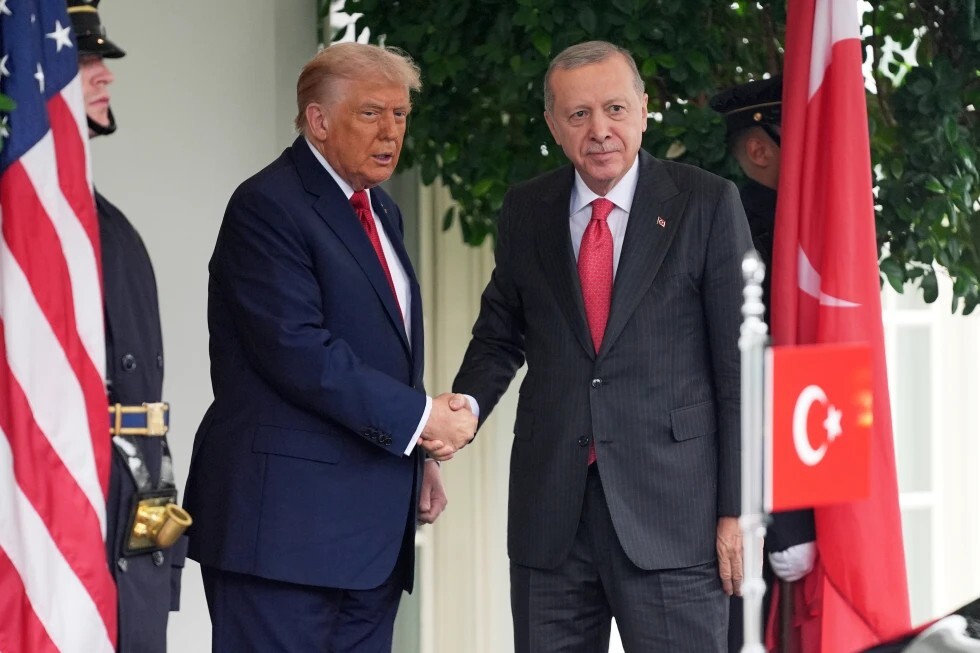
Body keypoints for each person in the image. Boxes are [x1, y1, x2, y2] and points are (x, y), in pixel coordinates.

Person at [451, 40, 752, 652]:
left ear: (643, 109)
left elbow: (740, 369)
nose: (600, 130)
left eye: (615, 108)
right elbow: (499, 333)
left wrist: (738, 509)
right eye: (579, 114)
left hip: (676, 518)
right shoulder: (527, 209)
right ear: (553, 125)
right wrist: (464, 410)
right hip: (552, 517)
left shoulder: (706, 203)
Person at [182, 42, 476, 652]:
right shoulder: (267, 205)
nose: (391, 131)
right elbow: (297, 350)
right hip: (283, 535)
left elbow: (380, 349)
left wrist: (415, 458)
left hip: (369, 537)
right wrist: (421, 420)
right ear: (317, 121)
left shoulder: (381, 210)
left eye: (400, 114)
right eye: (371, 113)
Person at [68, 1, 190, 650]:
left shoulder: (109, 224)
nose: (106, 74)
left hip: (137, 491)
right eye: (83, 62)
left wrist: (165, 549)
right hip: (69, 498)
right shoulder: (27, 232)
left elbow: (146, 420)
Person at [709, 75, 818, 652]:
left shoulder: (804, 225)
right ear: (759, 148)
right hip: (753, 499)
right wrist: (790, 517)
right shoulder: (747, 233)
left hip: (806, 474)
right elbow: (751, 383)